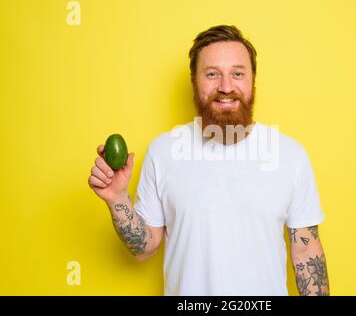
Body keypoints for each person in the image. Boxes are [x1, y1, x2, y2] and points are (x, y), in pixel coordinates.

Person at [88, 25, 329, 296]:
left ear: (252, 80)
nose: (226, 87)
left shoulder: (290, 155)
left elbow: (306, 252)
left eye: (237, 73)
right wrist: (117, 199)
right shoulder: (163, 151)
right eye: (212, 74)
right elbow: (144, 249)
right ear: (194, 81)